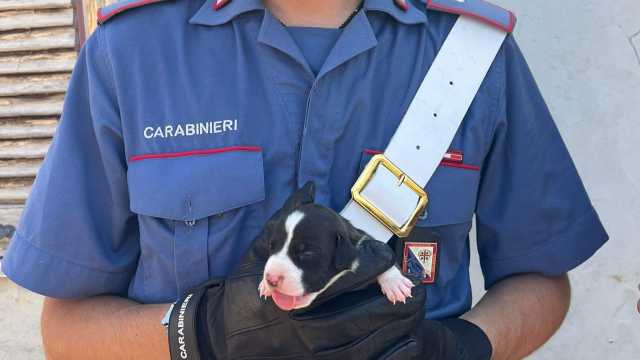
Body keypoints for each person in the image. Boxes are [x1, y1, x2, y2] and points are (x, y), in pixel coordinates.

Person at [1, 0, 608, 359]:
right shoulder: (132, 51)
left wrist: (459, 349)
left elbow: (540, 281)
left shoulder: (473, 56)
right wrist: (201, 331)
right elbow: (67, 328)